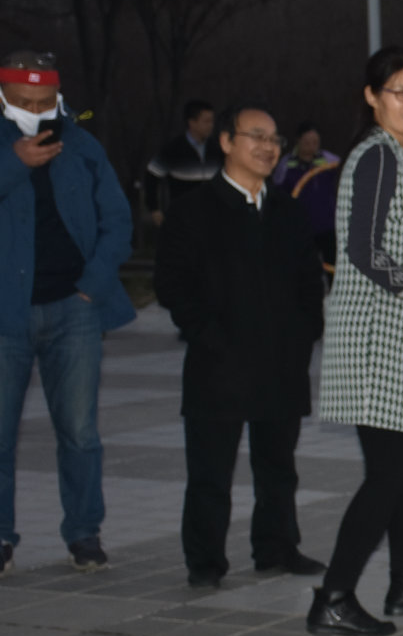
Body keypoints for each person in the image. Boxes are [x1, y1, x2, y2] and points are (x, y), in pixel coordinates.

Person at [155, 104, 327, 587]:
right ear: (227, 142)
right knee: (211, 472)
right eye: (256, 136)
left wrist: (304, 334)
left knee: (279, 468)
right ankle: (205, 561)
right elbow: (172, 285)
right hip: (219, 364)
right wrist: (208, 335)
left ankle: (276, 547)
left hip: (280, 363)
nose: (268, 148)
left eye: (274, 140)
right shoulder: (193, 210)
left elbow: (309, 282)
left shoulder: (288, 211)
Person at [315, 46, 403, 636]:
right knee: (390, 474)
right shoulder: (376, 154)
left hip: (401, 342)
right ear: (372, 97)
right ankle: (334, 595)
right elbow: (362, 245)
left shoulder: (392, 153)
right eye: (400, 92)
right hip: (380, 341)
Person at [0, 51, 133, 577]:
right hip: (5, 313)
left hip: (73, 310)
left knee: (79, 431)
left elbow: (117, 220)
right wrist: (15, 162)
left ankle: (84, 532)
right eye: (23, 102)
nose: (35, 111)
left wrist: (92, 287)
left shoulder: (81, 144)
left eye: (44, 102)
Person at [274, 121, 341, 270]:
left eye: (315, 142)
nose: (311, 146)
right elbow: (278, 195)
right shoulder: (285, 165)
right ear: (298, 141)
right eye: (307, 142)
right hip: (301, 227)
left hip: (328, 226)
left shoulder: (330, 161)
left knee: (333, 264)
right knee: (305, 267)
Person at [145, 99, 221, 227]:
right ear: (192, 123)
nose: (211, 125)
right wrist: (154, 209)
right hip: (182, 219)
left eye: (212, 121)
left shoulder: (217, 149)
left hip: (213, 218)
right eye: (206, 121)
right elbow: (151, 176)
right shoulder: (174, 149)